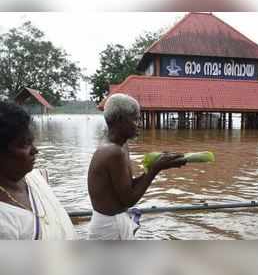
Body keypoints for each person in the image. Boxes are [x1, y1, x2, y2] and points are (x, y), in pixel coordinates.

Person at [87, 93, 186, 240]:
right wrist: (155, 169)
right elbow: (129, 199)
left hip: (113, 221)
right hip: (109, 227)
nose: (139, 123)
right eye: (135, 119)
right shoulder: (113, 152)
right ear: (120, 121)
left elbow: (127, 187)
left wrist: (159, 163)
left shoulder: (121, 145)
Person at [0, 101, 76, 240]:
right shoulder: (4, 222)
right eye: (24, 144)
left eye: (32, 141)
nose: (35, 150)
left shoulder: (33, 178)